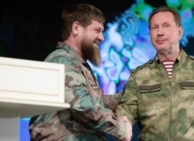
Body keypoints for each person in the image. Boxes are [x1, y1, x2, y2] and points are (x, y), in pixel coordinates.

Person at [115, 6, 194, 141]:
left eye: (166, 26)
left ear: (180, 32)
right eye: (155, 27)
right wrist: (124, 127)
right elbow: (124, 115)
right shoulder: (138, 76)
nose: (160, 32)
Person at [29, 3, 132, 141]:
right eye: (97, 30)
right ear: (76, 28)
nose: (101, 37)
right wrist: (120, 128)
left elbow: (97, 102)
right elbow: (83, 106)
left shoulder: (77, 63)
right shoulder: (62, 60)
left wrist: (131, 95)